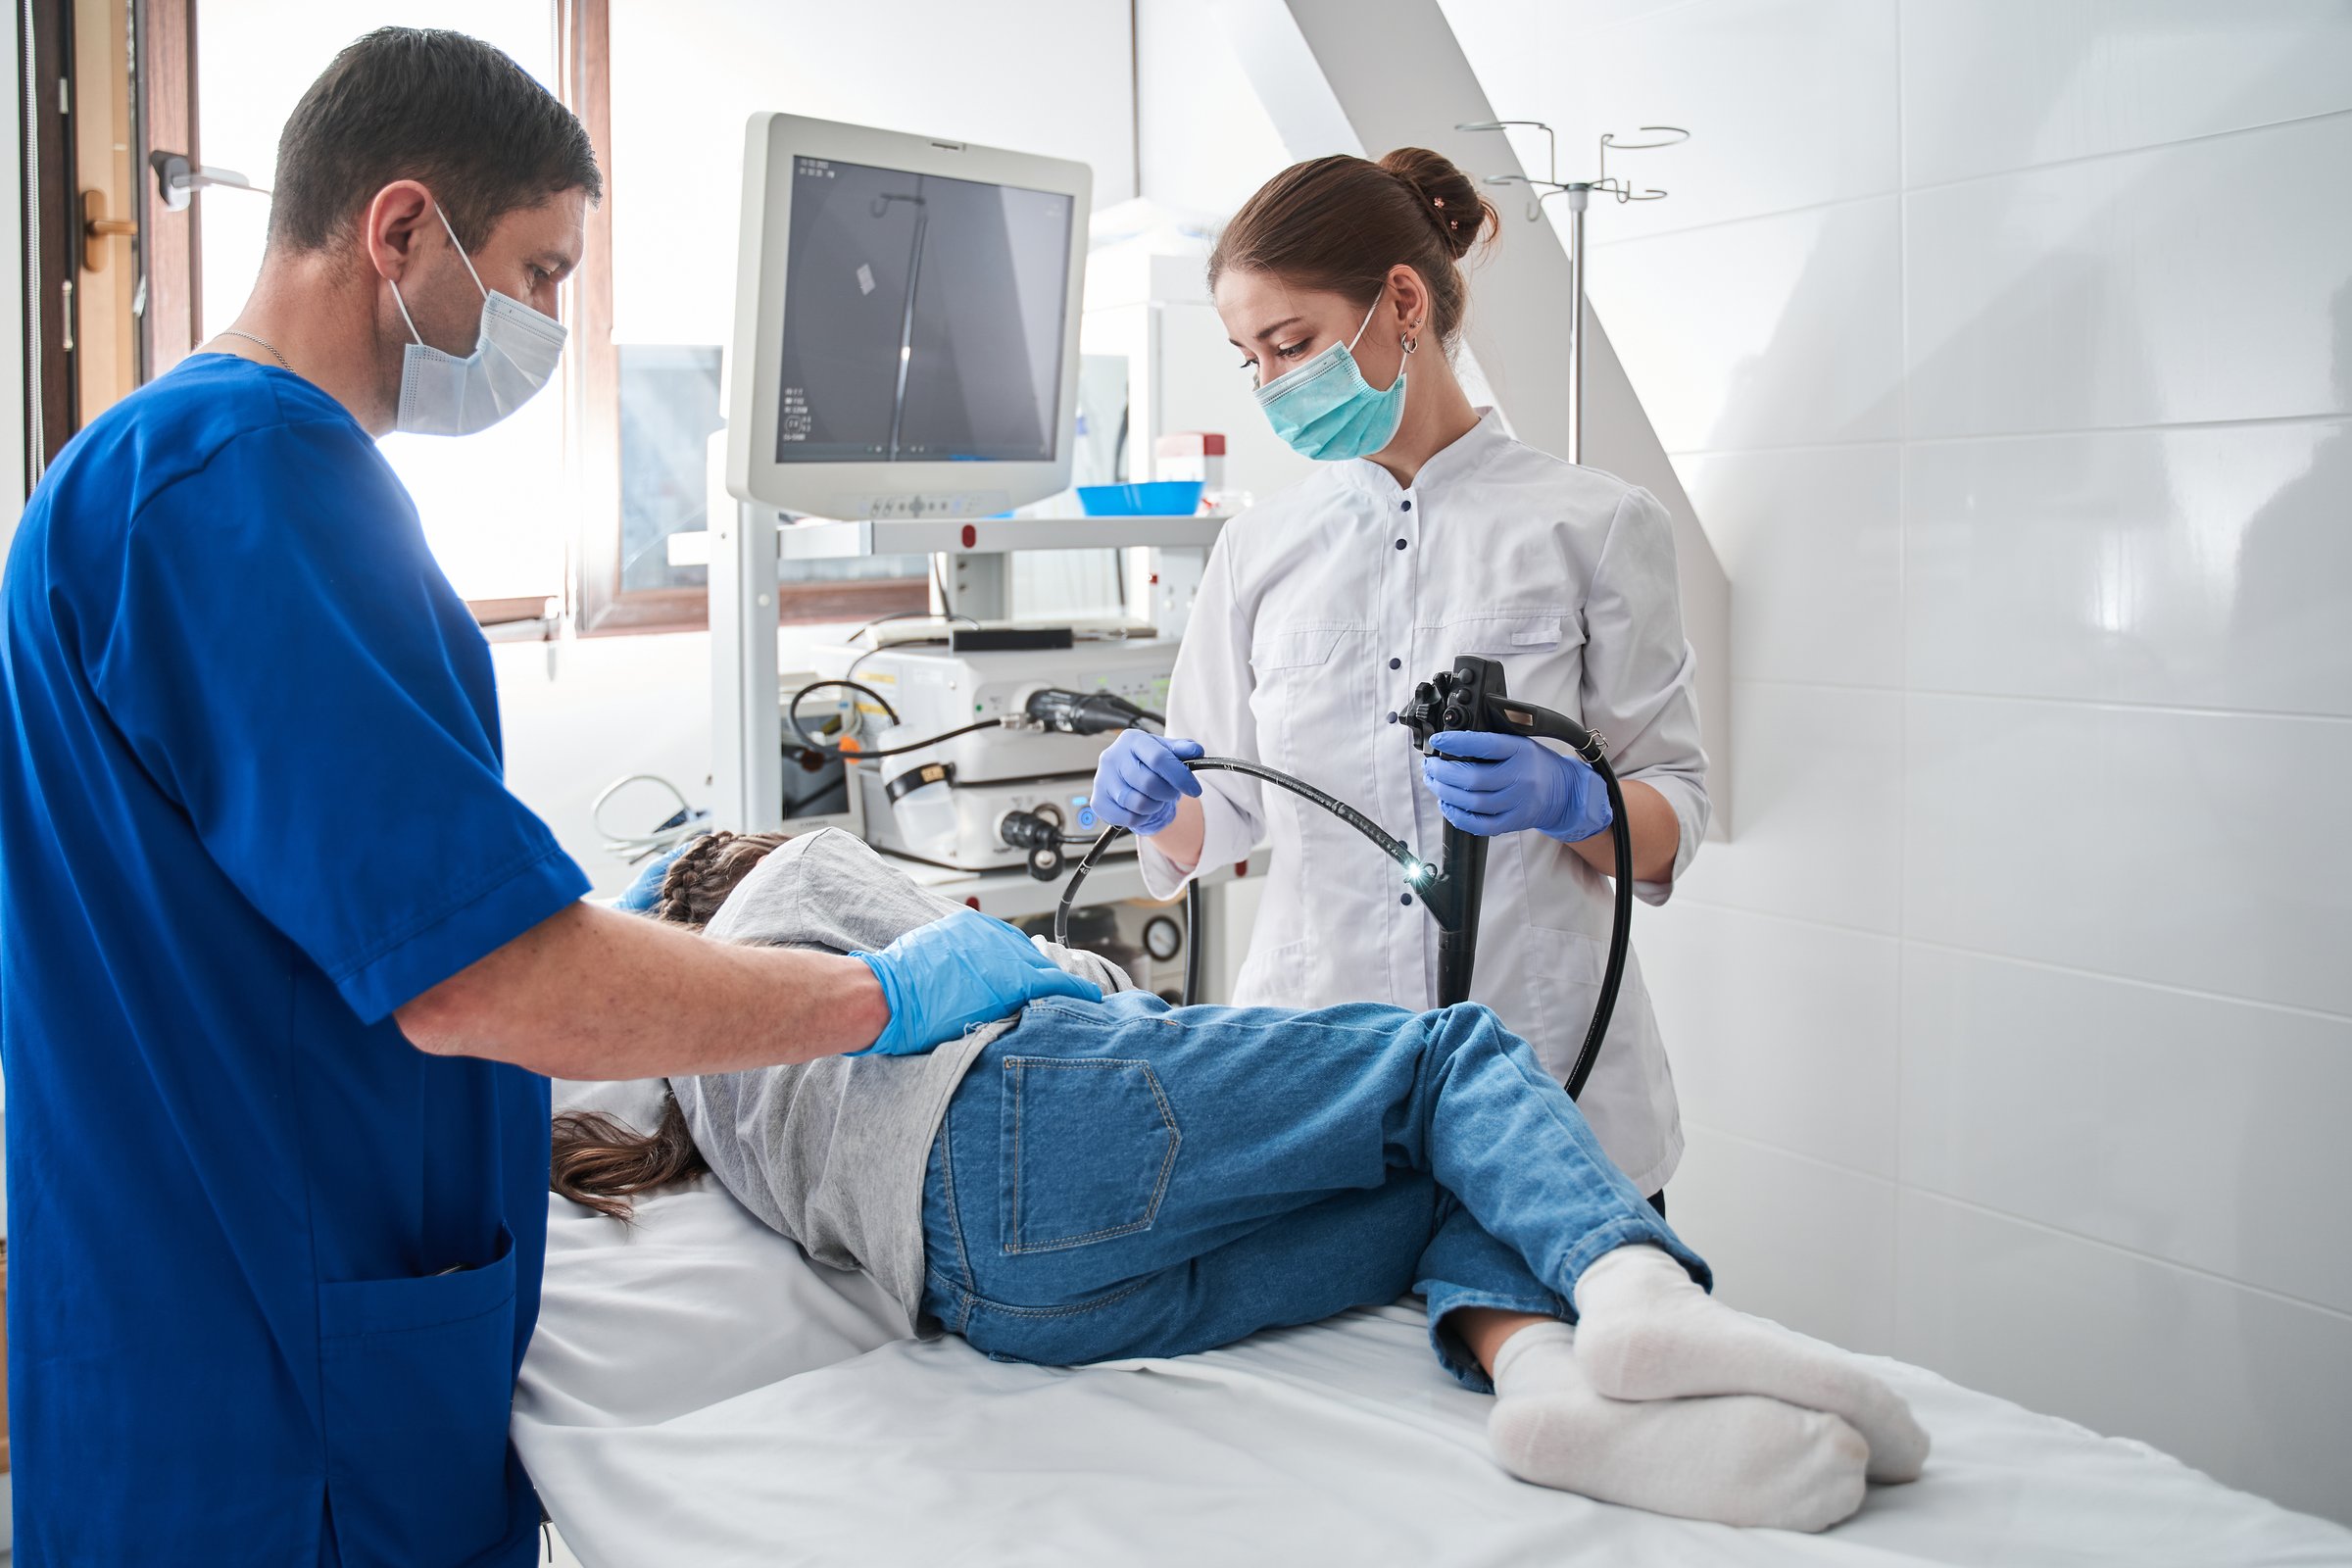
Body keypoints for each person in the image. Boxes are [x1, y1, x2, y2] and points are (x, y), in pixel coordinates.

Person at [0, 30, 1087, 1568]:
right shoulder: (249, 487)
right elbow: (480, 981)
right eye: (542, 273)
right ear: (398, 232)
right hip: (278, 1398)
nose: (555, 324)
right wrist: (871, 998)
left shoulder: (142, 470)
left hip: (206, 1329)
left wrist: (585, 920)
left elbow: (302, 892)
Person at [555, 828, 1928, 1534]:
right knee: (1453, 1065)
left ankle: (1546, 1386)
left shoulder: (697, 1100)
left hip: (1007, 1299)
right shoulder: (785, 876)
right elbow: (1007, 963)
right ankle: (1640, 1301)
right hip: (1024, 1119)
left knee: (1458, 1189)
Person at [1090, 151, 1706, 1206]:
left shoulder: (1593, 526)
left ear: (1402, 302)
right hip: (1317, 1089)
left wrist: (1572, 795)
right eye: (1252, 359)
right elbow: (1216, 819)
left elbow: (1674, 815)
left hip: (1551, 1089)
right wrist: (1158, 800)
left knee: (1574, 1362)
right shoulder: (1260, 551)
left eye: (1293, 343)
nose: (1277, 386)